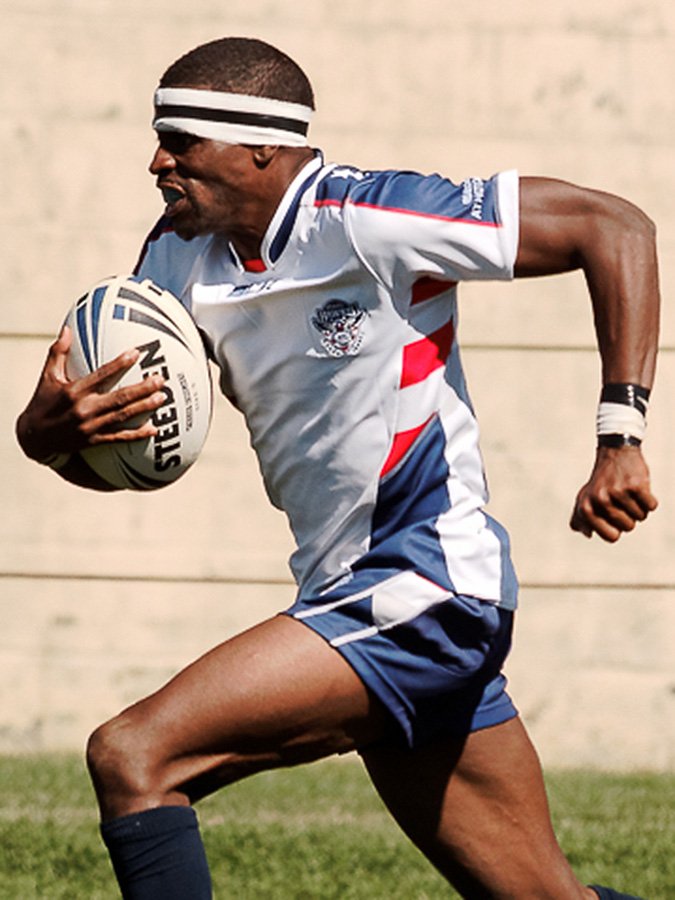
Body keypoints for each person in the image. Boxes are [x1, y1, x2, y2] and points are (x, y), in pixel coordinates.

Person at [16, 36, 659, 900]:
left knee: (134, 756)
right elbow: (119, 458)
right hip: (344, 593)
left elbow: (611, 225)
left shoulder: (370, 216)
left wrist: (619, 434)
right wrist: (45, 431)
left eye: (180, 139)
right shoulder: (174, 255)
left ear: (261, 147)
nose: (156, 160)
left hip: (426, 586)